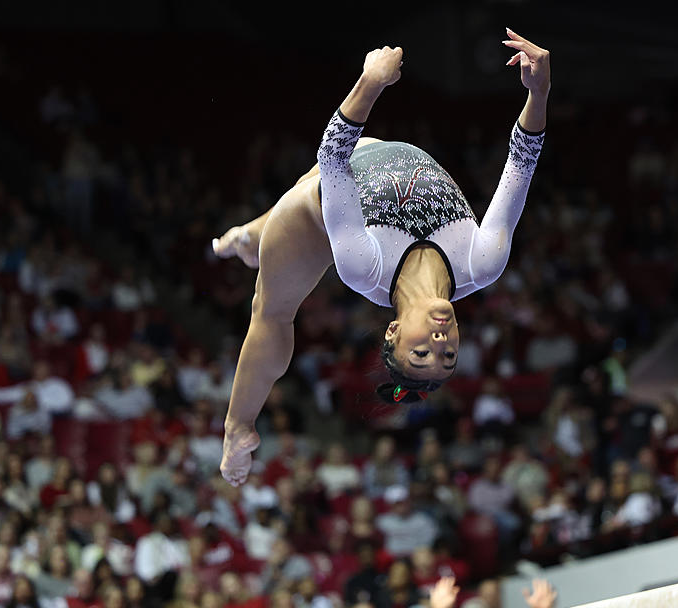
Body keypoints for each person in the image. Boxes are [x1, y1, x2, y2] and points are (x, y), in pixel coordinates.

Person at [214, 29, 552, 486]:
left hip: (316, 212)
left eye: (421, 350)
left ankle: (237, 429)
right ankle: (247, 239)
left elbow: (333, 159)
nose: (439, 340)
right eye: (448, 353)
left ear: (392, 331)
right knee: (260, 237)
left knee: (270, 310)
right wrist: (539, 93)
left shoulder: (363, 268)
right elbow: (522, 162)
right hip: (364, 159)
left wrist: (370, 82)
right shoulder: (482, 261)